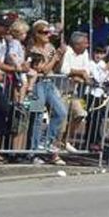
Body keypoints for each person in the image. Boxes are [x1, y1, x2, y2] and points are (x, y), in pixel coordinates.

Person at [27, 19, 68, 164]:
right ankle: (33, 152)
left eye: (49, 32)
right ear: (36, 34)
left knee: (61, 112)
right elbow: (42, 69)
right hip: (37, 83)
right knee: (37, 117)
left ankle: (45, 141)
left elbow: (55, 68)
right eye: (44, 32)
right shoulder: (32, 50)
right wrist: (55, 57)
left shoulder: (50, 47)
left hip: (49, 82)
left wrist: (60, 56)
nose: (48, 35)